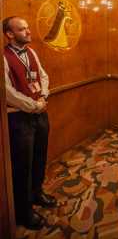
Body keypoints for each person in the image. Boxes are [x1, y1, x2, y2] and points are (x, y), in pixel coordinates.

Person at [3, 16, 56, 230]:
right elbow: (7, 92)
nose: (28, 32)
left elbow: (42, 75)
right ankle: (23, 211)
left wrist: (43, 95)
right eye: (22, 29)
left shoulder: (31, 52)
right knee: (22, 166)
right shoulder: (4, 57)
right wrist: (34, 105)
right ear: (9, 34)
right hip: (19, 118)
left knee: (39, 157)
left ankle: (37, 193)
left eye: (27, 28)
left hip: (40, 114)